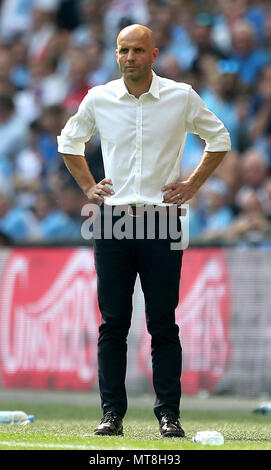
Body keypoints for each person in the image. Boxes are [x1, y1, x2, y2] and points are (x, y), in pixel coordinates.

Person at [57, 24, 231, 438]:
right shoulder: (99, 98)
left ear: (154, 55)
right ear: (116, 55)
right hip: (113, 219)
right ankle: (111, 415)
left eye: (138, 50)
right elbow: (69, 141)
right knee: (113, 322)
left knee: (163, 323)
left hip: (162, 219)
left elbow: (219, 138)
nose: (130, 57)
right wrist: (86, 186)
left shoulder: (180, 96)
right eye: (123, 50)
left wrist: (192, 185)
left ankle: (168, 415)